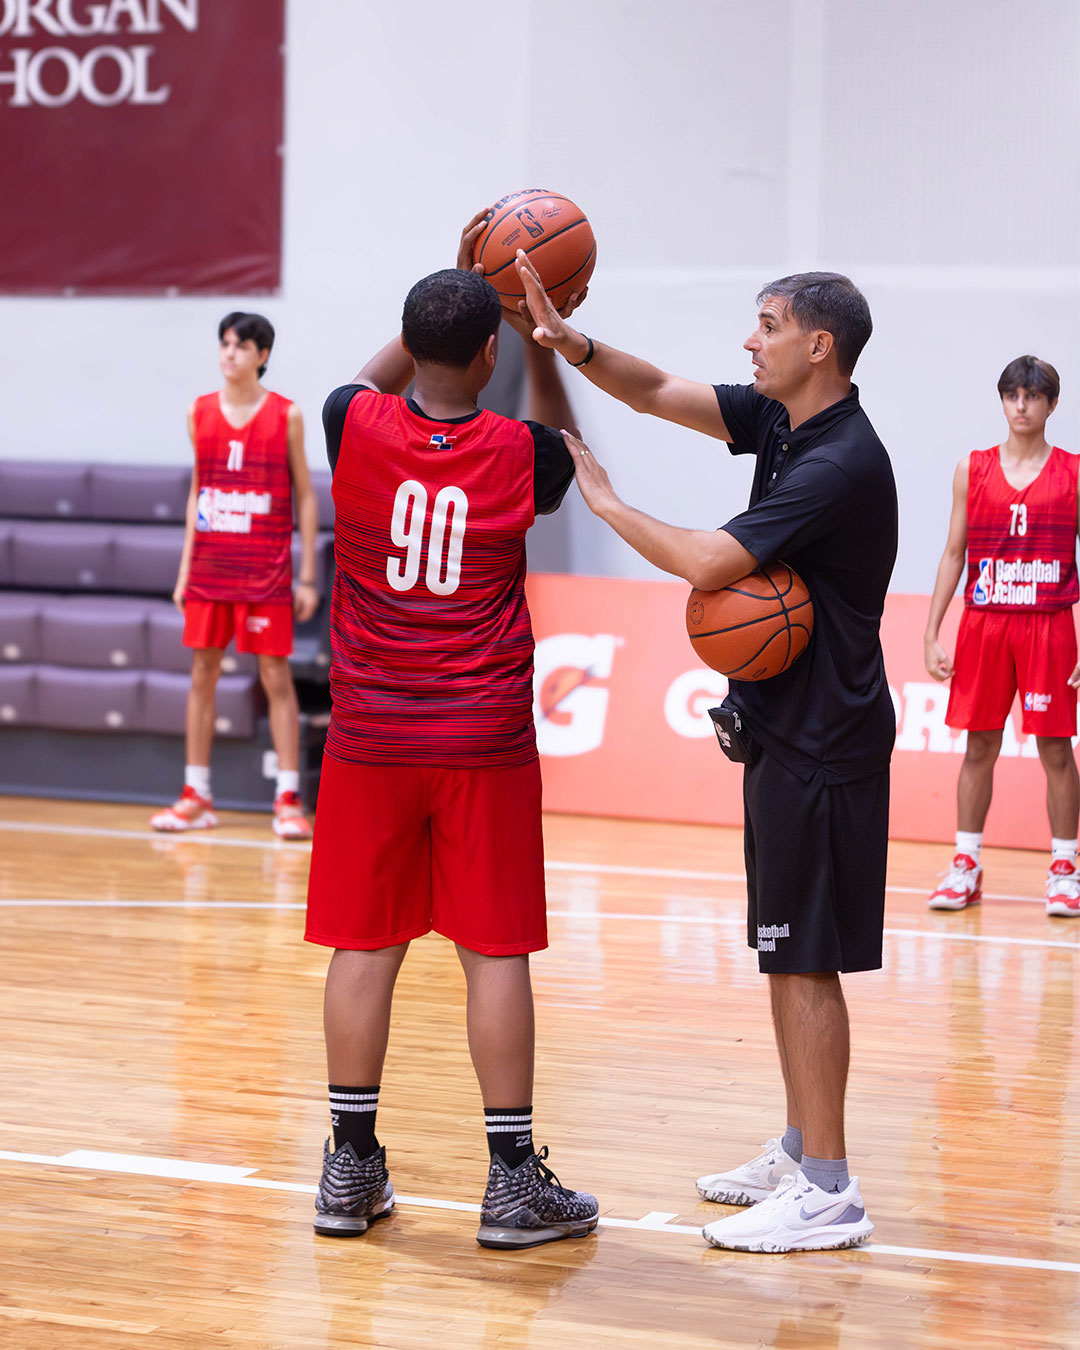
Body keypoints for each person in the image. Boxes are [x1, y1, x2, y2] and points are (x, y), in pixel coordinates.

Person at [516, 255, 896, 1254]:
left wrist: (606, 505)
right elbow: (654, 392)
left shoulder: (838, 462)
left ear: (819, 345)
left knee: (807, 961)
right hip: (784, 727)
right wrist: (571, 343)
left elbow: (708, 563)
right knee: (783, 951)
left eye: (766, 324)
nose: (749, 339)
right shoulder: (781, 418)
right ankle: (801, 1144)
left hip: (827, 741)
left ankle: (831, 1190)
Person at [304, 223, 598, 1250]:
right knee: (495, 950)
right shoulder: (520, 450)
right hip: (482, 739)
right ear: (490, 357)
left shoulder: (356, 423)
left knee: (364, 945)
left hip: (371, 736)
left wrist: (461, 291)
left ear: (411, 340)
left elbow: (359, 381)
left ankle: (348, 1169)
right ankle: (512, 1184)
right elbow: (572, 452)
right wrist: (544, 340)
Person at [150, 312, 319, 840]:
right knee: (202, 675)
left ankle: (287, 798)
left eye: (241, 346)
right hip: (210, 569)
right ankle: (195, 794)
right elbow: (199, 492)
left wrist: (307, 574)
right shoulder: (197, 412)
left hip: (265, 571)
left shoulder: (287, 415)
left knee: (275, 680)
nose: (230, 354)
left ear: (262, 356)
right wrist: (184, 570)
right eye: (224, 344)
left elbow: (306, 496)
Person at [924, 356, 1080, 918]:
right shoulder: (974, 467)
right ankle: (965, 865)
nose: (1021, 405)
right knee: (980, 746)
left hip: (1048, 624)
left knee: (1056, 749)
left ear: (1051, 405)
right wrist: (931, 631)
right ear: (1003, 400)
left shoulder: (1074, 472)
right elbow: (952, 553)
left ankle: (1065, 868)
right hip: (985, 624)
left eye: (1033, 396)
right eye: (1012, 395)